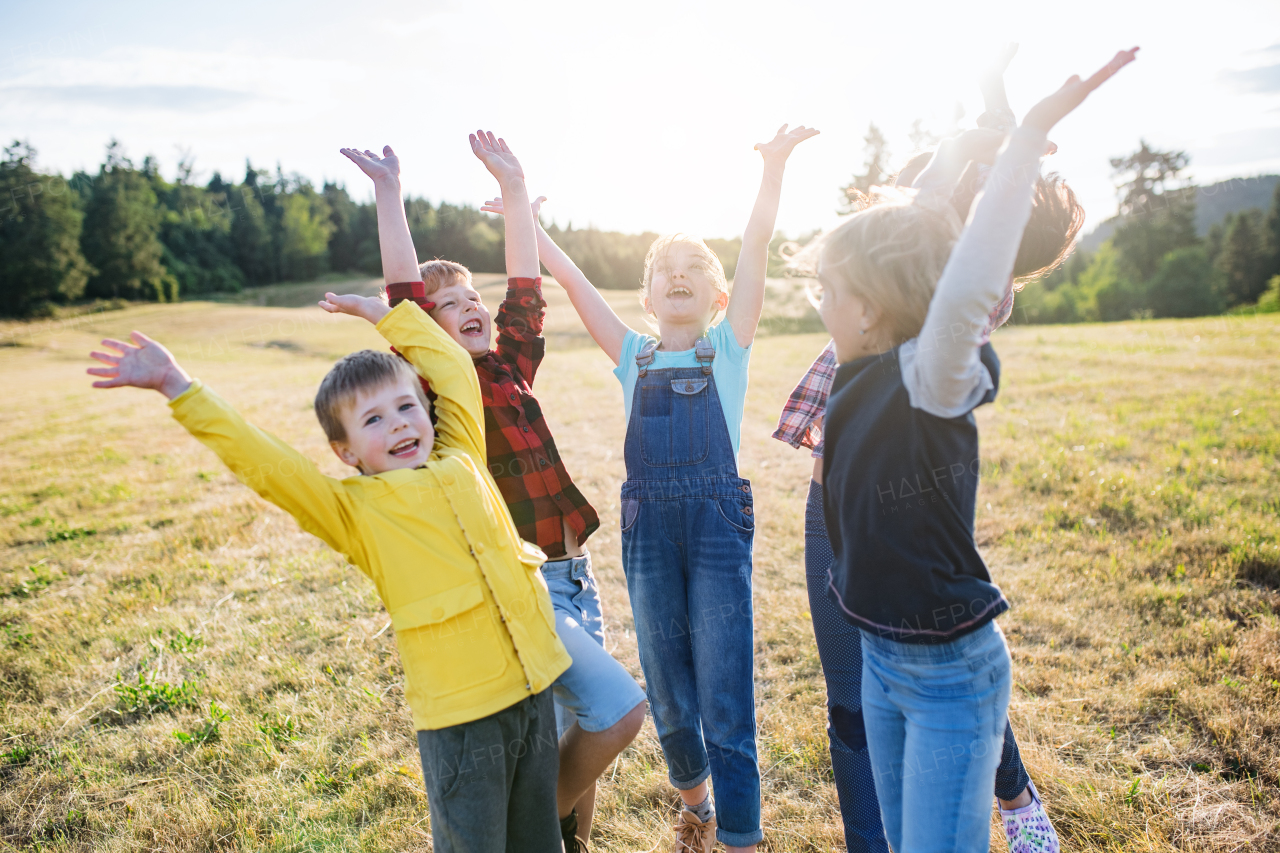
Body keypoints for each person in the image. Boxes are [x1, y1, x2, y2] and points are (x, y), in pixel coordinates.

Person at [86, 135, 577, 851]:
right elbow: (271, 466)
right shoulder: (356, 510)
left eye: (407, 406)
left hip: (534, 694)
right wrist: (179, 387)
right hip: (462, 719)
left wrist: (387, 317)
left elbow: (444, 359)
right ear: (346, 451)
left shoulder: (462, 446)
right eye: (373, 419)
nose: (400, 424)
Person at [813, 49, 1137, 853]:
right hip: (886, 662)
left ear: (876, 305)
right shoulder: (857, 372)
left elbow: (961, 284)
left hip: (949, 674)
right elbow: (917, 220)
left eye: (831, 287)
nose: (819, 300)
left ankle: (1020, 802)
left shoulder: (932, 371)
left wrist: (1026, 135)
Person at [485, 123, 819, 852]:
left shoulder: (726, 347)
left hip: (714, 524)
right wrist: (523, 218)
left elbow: (756, 244)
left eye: (694, 265)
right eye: (664, 266)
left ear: (718, 292)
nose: (678, 273)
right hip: (648, 530)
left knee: (726, 693)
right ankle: (694, 799)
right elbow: (570, 282)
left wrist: (772, 170)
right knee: (668, 692)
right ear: (646, 292)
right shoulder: (632, 355)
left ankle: (741, 835)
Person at [340, 132, 647, 852]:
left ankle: (569, 840)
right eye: (450, 304)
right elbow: (404, 299)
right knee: (615, 712)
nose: (470, 306)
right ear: (428, 333)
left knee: (575, 734)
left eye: (473, 296)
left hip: (579, 575)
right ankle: (530, 831)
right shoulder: (444, 393)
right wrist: (390, 192)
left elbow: (526, 289)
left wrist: (515, 192)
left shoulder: (512, 362)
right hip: (527, 582)